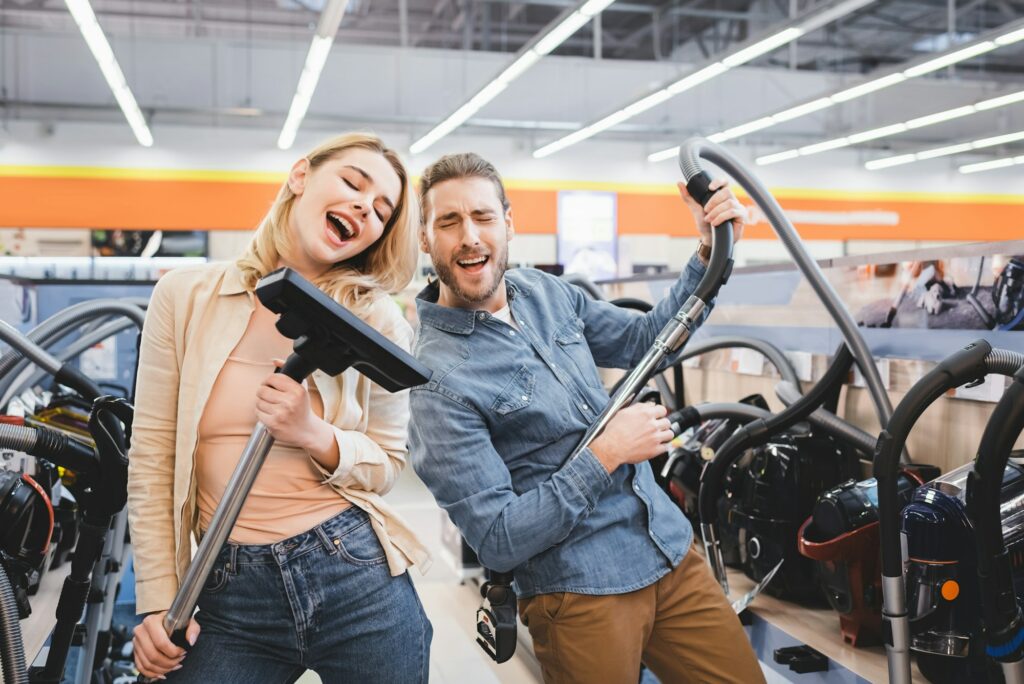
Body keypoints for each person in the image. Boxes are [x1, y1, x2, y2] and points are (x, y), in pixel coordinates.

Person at [408, 153, 762, 684]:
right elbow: (499, 539)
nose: (469, 237)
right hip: (581, 592)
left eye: (482, 217)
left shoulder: (543, 292)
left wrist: (710, 252)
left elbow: (647, 343)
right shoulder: (437, 380)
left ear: (508, 223)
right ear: (425, 238)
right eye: (449, 222)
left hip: (669, 552)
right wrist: (607, 453)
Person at [127, 133, 432, 683]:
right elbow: (150, 458)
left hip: (353, 571)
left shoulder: (377, 320)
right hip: (228, 584)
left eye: (382, 210)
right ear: (300, 177)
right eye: (353, 183)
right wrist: (156, 602)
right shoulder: (184, 296)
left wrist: (313, 432)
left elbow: (387, 464)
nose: (365, 206)